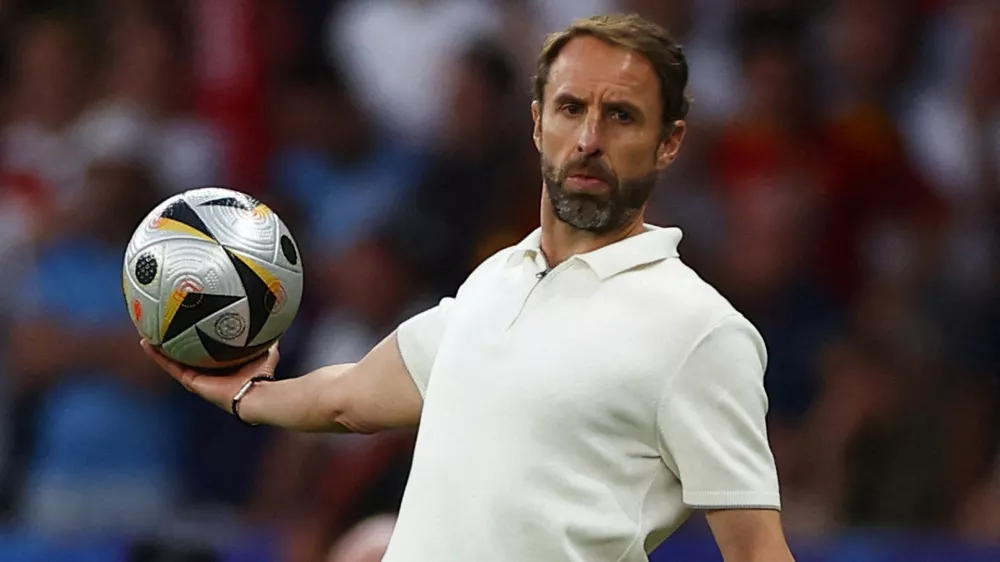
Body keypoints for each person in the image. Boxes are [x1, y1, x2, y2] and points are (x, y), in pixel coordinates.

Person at [143, 13, 796, 562]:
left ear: (668, 143)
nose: (590, 140)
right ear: (539, 124)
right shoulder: (496, 281)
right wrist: (244, 394)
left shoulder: (701, 330)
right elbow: (348, 398)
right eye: (572, 109)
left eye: (622, 116)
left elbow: (758, 553)